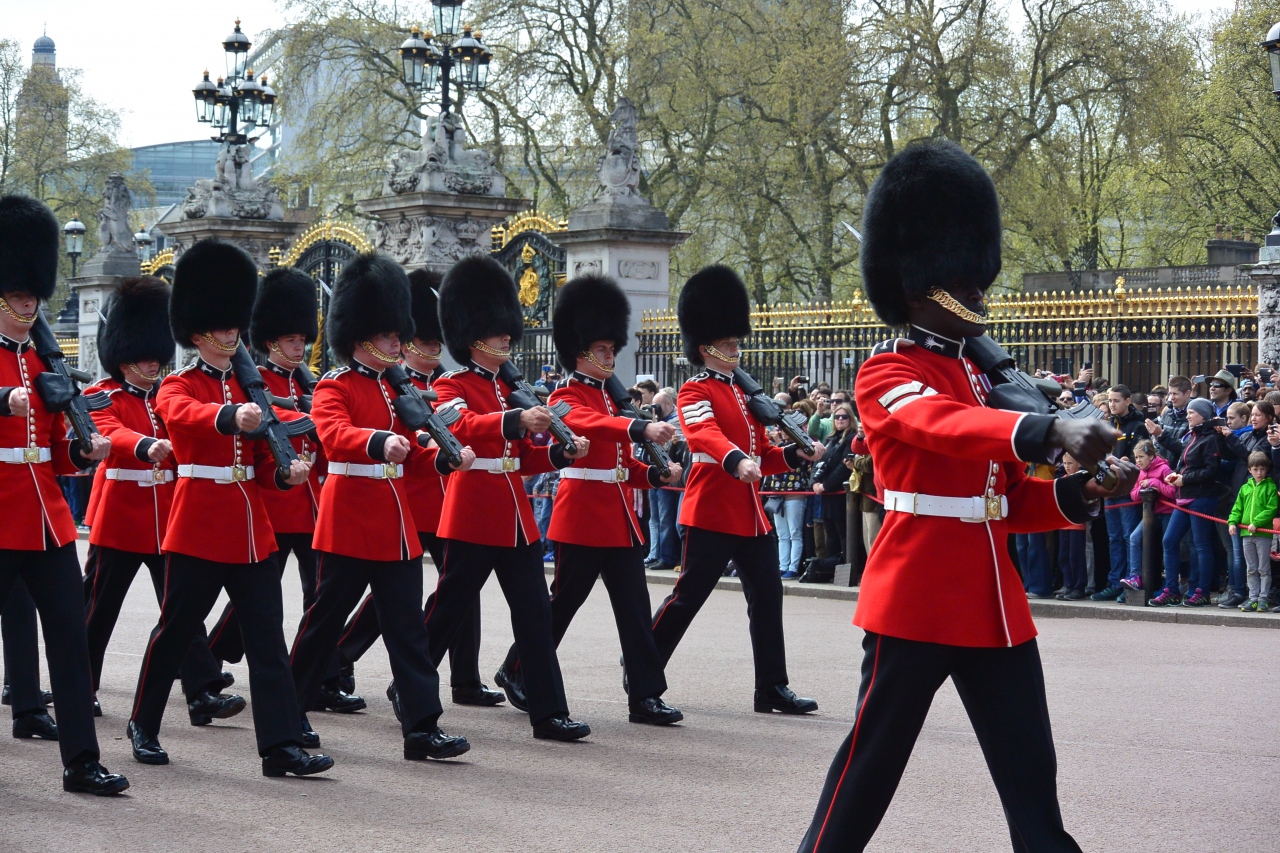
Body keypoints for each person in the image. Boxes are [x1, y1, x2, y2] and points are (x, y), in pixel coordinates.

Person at [797, 140, 1136, 853]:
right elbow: (940, 426)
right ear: (919, 285)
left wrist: (1083, 493)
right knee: (867, 775)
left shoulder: (986, 381)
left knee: (1032, 784)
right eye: (964, 277)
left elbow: (1007, 500)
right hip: (916, 598)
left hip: (993, 603)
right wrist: (1045, 424)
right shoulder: (886, 371)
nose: (979, 290)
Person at [126, 238, 331, 778]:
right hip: (198, 523)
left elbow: (263, 463)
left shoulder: (252, 386)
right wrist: (230, 417)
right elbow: (183, 416)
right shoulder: (178, 382)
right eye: (221, 326)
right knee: (176, 629)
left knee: (267, 639)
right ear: (197, 334)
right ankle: (142, 724)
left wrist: (287, 473)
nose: (232, 333)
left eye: (234, 323)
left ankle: (281, 746)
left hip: (250, 527)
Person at [288, 252, 473, 761]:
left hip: (395, 525)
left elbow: (415, 451)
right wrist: (376, 442)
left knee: (409, 631)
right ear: (363, 336)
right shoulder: (333, 385)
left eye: (399, 336)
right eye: (391, 337)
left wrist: (445, 457)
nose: (399, 343)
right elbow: (333, 435)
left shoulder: (401, 391)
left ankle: (421, 728)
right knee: (324, 622)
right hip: (349, 520)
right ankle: (289, 711)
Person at [497, 274, 684, 725]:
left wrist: (656, 473)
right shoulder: (566, 395)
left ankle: (645, 695)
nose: (610, 356)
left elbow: (620, 467)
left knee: (636, 612)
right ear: (581, 352)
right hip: (581, 517)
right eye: (602, 349)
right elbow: (588, 426)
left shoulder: (612, 400)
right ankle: (515, 668)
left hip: (618, 519)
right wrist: (639, 427)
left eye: (611, 348)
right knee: (560, 605)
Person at [428, 255, 591, 742]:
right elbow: (460, 428)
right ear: (473, 335)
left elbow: (521, 459)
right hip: (472, 513)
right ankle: (409, 682)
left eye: (507, 332)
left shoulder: (510, 389)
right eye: (499, 332)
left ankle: (548, 713)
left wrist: (561, 454)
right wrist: (517, 422)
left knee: (536, 614)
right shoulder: (448, 385)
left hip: (515, 516)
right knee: (447, 610)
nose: (506, 338)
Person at [652, 265, 824, 714]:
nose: (736, 349)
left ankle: (771, 687)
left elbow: (763, 454)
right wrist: (736, 460)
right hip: (711, 508)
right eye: (729, 344)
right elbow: (705, 434)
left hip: (750, 514)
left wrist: (795, 456)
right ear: (706, 347)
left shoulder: (748, 399)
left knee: (768, 598)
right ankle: (644, 663)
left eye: (736, 342)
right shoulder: (694, 391)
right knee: (688, 597)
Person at [0, 195, 128, 795]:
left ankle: (82, 760)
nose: (29, 306)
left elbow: (52, 448)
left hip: (45, 518)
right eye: (19, 296)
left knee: (71, 644)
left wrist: (84, 450)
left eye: (32, 297)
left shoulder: (40, 362)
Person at [338, 269, 503, 708]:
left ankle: (464, 678)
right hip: (411, 499)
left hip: (446, 499)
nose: (433, 349)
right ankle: (340, 656)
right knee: (388, 598)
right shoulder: (394, 384)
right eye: (425, 343)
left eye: (435, 342)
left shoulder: (443, 384)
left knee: (459, 588)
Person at [207, 266, 364, 714]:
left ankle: (324, 677)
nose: (300, 347)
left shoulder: (309, 383)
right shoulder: (255, 381)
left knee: (320, 598)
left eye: (303, 340)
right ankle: (211, 655)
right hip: (276, 503)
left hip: (310, 504)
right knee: (253, 602)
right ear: (273, 340)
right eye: (293, 340)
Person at [83, 276, 238, 723]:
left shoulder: (167, 397)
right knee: (99, 611)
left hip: (167, 516)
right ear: (121, 353)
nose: (152, 363)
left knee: (179, 610)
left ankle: (202, 689)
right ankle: (81, 684)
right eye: (143, 355)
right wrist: (142, 446)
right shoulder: (101, 395)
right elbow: (108, 432)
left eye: (156, 355)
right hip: (120, 516)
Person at [1149, 397, 1224, 608]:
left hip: (1202, 497)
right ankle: (1171, 590)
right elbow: (1182, 454)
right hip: (1184, 496)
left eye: (1192, 412)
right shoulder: (1192, 435)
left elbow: (1212, 470)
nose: (1188, 415)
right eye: (1188, 412)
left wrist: (1185, 479)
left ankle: (1201, 590)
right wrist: (1176, 475)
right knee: (1169, 541)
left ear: (1204, 416)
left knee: (1200, 545)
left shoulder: (1211, 439)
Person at [1217, 400, 1280, 608]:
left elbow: (1252, 458)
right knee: (1239, 554)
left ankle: (1256, 595)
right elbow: (1229, 455)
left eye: (1258, 415)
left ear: (1269, 418)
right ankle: (1242, 592)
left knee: (1259, 563)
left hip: (1259, 505)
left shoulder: (1266, 440)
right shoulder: (1245, 435)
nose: (1253, 418)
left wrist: (1231, 439)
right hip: (1241, 496)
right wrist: (1220, 436)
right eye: (1252, 414)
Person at [1092, 384, 1148, 601]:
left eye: (1116, 401)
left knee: (1128, 537)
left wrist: (1129, 461)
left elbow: (1143, 458)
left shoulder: (1138, 425)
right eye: (1110, 400)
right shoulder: (1107, 425)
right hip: (1109, 488)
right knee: (1114, 538)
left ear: (1127, 401)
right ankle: (1115, 582)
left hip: (1127, 490)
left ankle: (1130, 582)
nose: (1112, 404)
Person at [805, 402, 858, 582]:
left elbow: (844, 467)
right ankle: (831, 571)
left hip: (841, 494)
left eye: (844, 417)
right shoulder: (830, 438)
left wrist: (825, 485)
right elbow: (817, 462)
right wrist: (814, 483)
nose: (840, 420)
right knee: (830, 534)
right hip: (826, 495)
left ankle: (846, 574)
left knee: (844, 533)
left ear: (851, 419)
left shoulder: (852, 438)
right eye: (837, 417)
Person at [1120, 440, 1176, 593]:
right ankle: (1135, 577)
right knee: (1134, 538)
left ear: (1151, 456)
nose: (1138, 461)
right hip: (1151, 513)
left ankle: (1169, 586)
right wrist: (1143, 488)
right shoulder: (1139, 472)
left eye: (1141, 457)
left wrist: (1154, 483)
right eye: (1136, 457)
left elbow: (1173, 492)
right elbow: (1134, 495)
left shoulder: (1164, 469)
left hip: (1167, 512)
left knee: (1167, 545)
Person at [1229, 451, 1277, 612]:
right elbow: (1237, 507)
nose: (1259, 473)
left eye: (1262, 469)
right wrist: (1232, 522)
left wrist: (1256, 523)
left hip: (1263, 534)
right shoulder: (1245, 488)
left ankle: (1263, 598)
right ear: (1250, 470)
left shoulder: (1270, 487)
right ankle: (1253, 597)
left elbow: (1271, 509)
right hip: (1246, 535)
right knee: (1251, 568)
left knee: (1263, 568)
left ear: (1267, 470)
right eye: (1255, 469)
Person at [643, 387, 681, 572]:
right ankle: (656, 553)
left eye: (657, 406)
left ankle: (667, 557)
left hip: (667, 477)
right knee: (655, 519)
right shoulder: (655, 423)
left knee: (666, 518)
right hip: (653, 473)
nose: (654, 409)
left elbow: (668, 450)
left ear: (668, 404)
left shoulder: (676, 423)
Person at [764, 428, 810, 579]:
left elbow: (796, 461)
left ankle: (793, 567)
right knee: (782, 534)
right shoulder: (776, 446)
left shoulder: (801, 446)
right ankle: (782, 566)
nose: (782, 432)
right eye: (780, 430)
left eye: (786, 430)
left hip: (795, 493)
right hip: (777, 494)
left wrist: (780, 442)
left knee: (794, 532)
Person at [1055, 454, 1088, 600]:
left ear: (1079, 463)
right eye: (1064, 463)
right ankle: (1068, 585)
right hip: (1064, 524)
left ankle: (1078, 587)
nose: (1066, 466)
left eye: (1070, 463)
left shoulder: (1082, 478)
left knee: (1076, 557)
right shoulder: (1062, 479)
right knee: (1064, 557)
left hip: (1077, 524)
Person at [1146, 376, 1191, 467]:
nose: (1171, 398)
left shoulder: (1193, 415)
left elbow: (1186, 448)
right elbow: (1158, 444)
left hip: (1180, 471)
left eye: (1175, 394)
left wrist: (1161, 435)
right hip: (1162, 468)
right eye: (1170, 394)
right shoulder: (1167, 412)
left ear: (1187, 393)